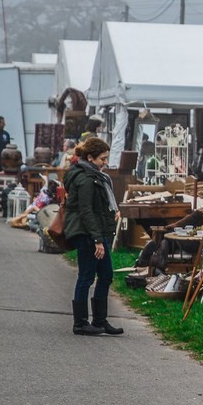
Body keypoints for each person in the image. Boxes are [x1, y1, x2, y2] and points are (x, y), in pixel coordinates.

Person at [63, 137, 123, 336]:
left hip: (96, 230)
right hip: (86, 233)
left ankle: (99, 321)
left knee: (106, 275)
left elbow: (96, 208)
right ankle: (80, 323)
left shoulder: (94, 174)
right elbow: (86, 211)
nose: (105, 162)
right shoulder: (85, 178)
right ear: (90, 157)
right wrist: (97, 240)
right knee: (86, 276)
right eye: (102, 159)